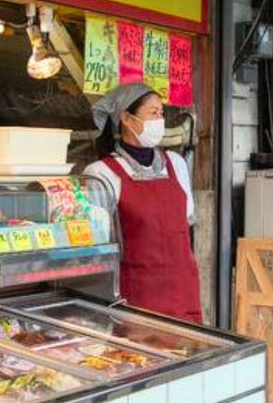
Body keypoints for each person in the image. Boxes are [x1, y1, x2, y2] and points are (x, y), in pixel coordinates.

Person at [85, 83, 203, 323]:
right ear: (127, 119)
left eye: (161, 113)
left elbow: (186, 221)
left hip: (183, 293)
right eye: (153, 113)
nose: (160, 120)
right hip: (137, 298)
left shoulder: (176, 163)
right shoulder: (101, 173)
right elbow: (97, 244)